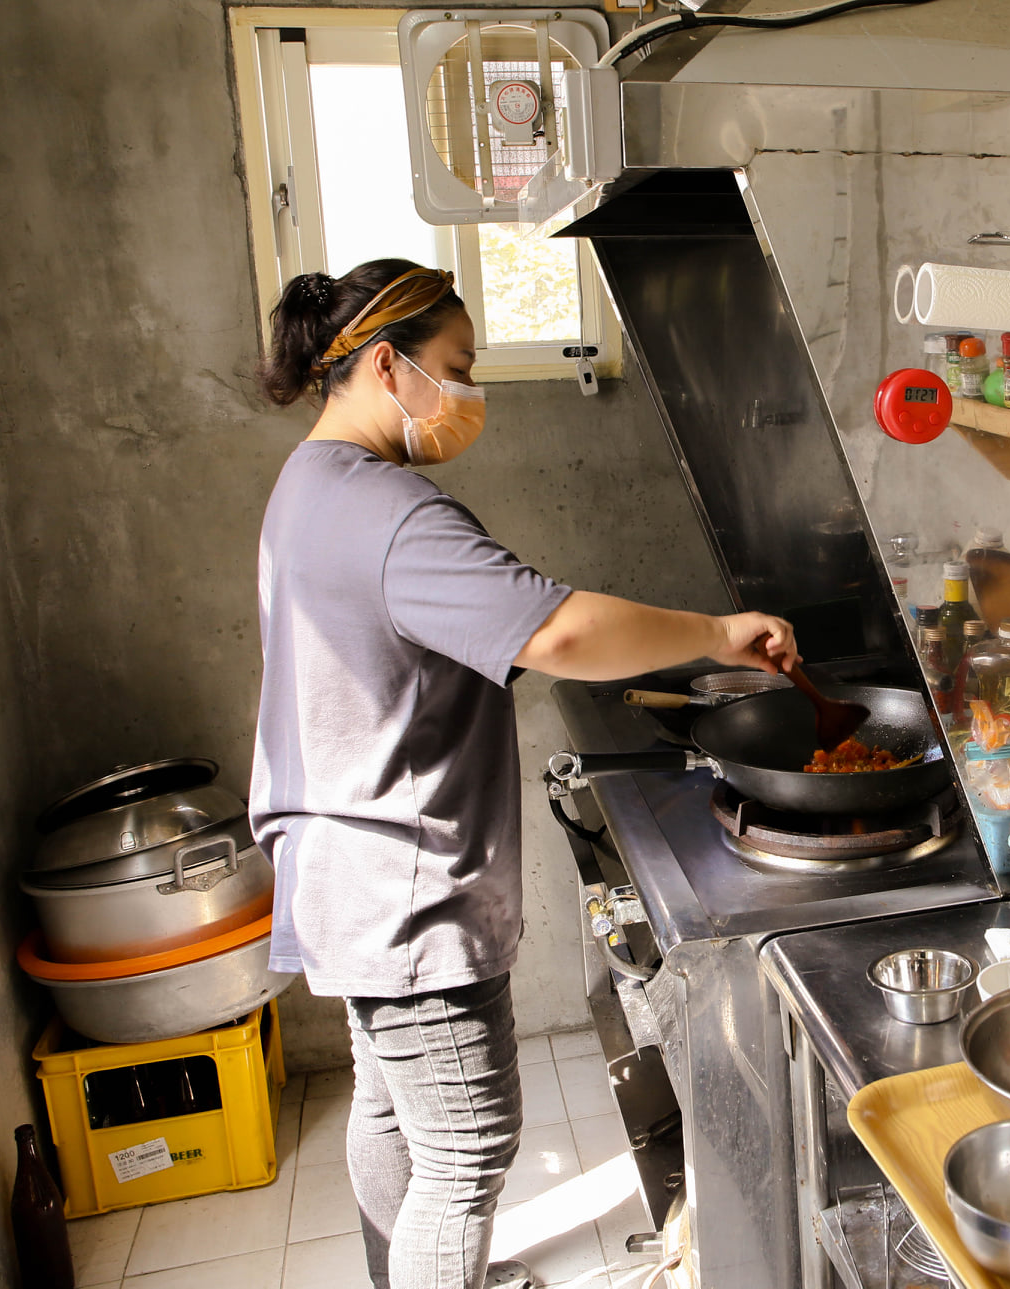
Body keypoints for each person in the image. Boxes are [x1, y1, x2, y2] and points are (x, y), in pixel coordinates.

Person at [249, 259, 797, 1289]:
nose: (470, 395)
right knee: (466, 1150)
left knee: (388, 1103)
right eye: (455, 368)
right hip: (399, 880)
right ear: (384, 364)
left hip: (338, 859)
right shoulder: (391, 515)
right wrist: (719, 629)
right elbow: (558, 627)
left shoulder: (308, 484)